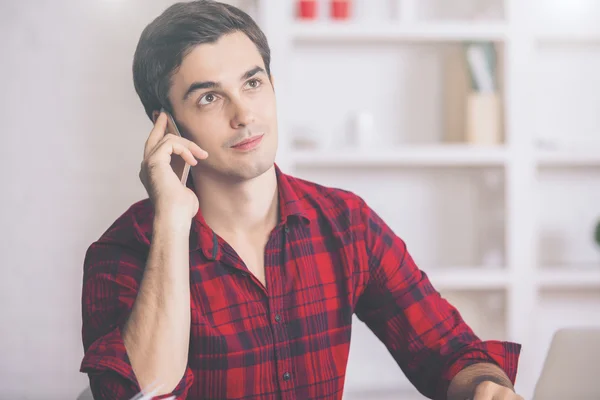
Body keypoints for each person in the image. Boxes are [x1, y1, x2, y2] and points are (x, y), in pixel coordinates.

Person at [79, 1, 523, 399]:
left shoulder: (345, 222)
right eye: (210, 97)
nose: (244, 115)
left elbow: (448, 352)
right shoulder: (123, 252)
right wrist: (172, 221)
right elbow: (138, 394)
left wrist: (483, 387)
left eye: (252, 83)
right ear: (167, 126)